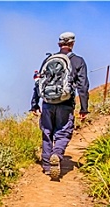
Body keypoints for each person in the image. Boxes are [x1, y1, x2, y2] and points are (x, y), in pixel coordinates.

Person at [30, 31, 89, 179]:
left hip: (47, 103)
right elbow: (82, 86)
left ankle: (47, 166)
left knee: (47, 132)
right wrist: (84, 108)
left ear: (59, 44)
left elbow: (39, 82)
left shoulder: (49, 59)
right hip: (66, 103)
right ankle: (56, 154)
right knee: (63, 132)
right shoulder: (78, 61)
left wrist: (34, 104)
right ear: (73, 44)